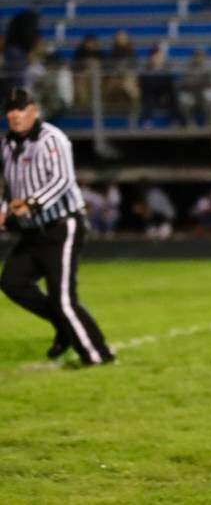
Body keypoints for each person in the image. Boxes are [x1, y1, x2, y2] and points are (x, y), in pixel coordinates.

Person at [0, 87, 114, 365]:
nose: (15, 114)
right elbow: (6, 186)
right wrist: (3, 211)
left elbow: (62, 180)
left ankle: (98, 356)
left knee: (62, 298)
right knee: (12, 282)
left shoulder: (53, 139)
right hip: (32, 231)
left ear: (34, 110)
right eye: (11, 109)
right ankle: (64, 327)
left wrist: (31, 202)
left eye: (21, 108)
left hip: (62, 226)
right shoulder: (6, 144)